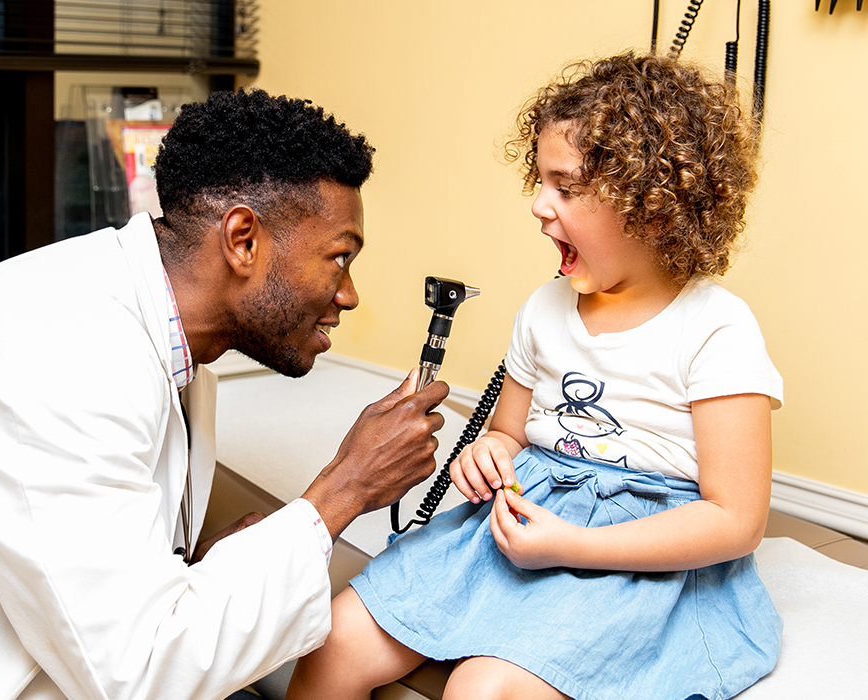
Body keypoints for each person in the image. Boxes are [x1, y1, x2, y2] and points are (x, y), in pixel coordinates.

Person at [0, 89, 450, 700]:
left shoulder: (156, 337)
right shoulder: (60, 355)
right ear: (244, 239)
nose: (349, 294)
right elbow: (138, 675)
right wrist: (343, 490)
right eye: (338, 257)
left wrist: (209, 568)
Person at [286, 52, 783, 700]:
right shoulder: (544, 310)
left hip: (642, 558)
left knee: (482, 688)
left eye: (566, 188)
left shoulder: (717, 327)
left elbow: (736, 518)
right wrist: (490, 453)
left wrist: (574, 545)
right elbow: (510, 434)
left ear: (656, 208)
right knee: (337, 636)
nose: (538, 205)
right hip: (524, 521)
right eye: (541, 181)